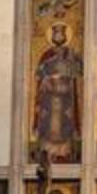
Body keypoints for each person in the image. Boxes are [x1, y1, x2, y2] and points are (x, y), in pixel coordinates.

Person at [34, 23, 83, 162]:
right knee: (50, 124)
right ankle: (48, 152)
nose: (59, 36)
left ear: (65, 36)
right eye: (56, 34)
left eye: (61, 34)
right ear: (53, 36)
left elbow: (79, 72)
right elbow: (39, 74)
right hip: (49, 97)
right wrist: (49, 78)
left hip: (66, 97)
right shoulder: (47, 55)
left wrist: (75, 61)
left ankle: (64, 152)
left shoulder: (70, 53)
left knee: (65, 123)